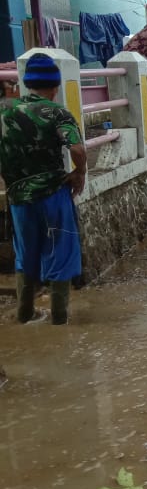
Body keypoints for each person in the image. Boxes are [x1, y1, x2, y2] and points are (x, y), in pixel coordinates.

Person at [0, 53, 86, 324]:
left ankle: (25, 313)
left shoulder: (5, 111)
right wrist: (80, 172)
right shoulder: (57, 112)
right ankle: (59, 319)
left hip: (18, 198)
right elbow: (77, 149)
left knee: (25, 254)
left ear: (27, 84)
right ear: (56, 86)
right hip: (53, 194)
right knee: (61, 251)